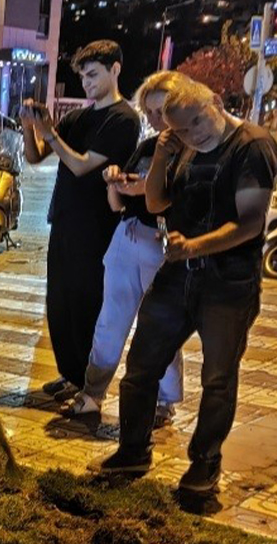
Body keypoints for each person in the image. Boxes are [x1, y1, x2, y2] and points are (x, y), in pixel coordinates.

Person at [95, 76, 277, 498]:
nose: (192, 134)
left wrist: (195, 245)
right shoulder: (179, 144)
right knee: (141, 366)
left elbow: (251, 221)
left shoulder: (251, 145)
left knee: (218, 377)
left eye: (196, 122)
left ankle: (204, 464)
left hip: (228, 281)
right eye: (179, 129)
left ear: (215, 101)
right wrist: (162, 153)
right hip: (178, 274)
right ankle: (133, 450)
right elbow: (157, 202)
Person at [61, 71, 185, 424]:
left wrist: (143, 188)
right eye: (150, 111)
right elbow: (117, 204)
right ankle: (92, 393)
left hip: (165, 246)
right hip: (128, 236)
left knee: (161, 326)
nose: (155, 119)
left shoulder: (193, 152)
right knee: (109, 320)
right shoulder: (147, 147)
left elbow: (166, 200)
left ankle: (165, 401)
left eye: (163, 110)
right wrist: (113, 181)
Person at [22, 40, 141, 400]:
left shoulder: (123, 118)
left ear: (115, 69)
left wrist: (50, 133)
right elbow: (35, 156)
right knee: (59, 303)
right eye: (83, 76)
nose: (87, 83)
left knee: (87, 304)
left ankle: (88, 383)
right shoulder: (78, 116)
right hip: (63, 222)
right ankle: (70, 373)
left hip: (96, 227)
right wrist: (32, 125)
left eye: (93, 75)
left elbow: (80, 164)